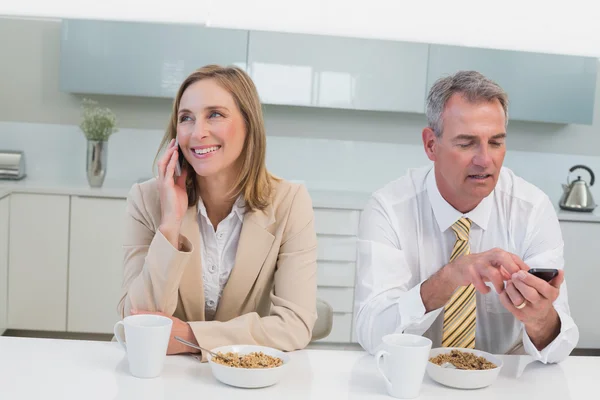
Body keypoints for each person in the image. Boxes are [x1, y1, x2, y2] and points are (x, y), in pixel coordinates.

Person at [353, 70, 579, 364]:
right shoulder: (389, 209)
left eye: (496, 143)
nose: (485, 160)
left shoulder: (531, 208)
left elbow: (559, 348)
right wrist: (447, 279)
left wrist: (539, 319)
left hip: (504, 381)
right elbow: (372, 333)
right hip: (414, 379)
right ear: (431, 145)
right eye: (466, 143)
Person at [118, 65, 318, 360]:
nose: (198, 133)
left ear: (249, 124)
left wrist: (189, 338)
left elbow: (295, 325)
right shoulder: (147, 199)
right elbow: (133, 324)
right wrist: (170, 225)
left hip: (243, 377)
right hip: (158, 373)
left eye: (215, 114)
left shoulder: (290, 203)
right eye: (186, 118)